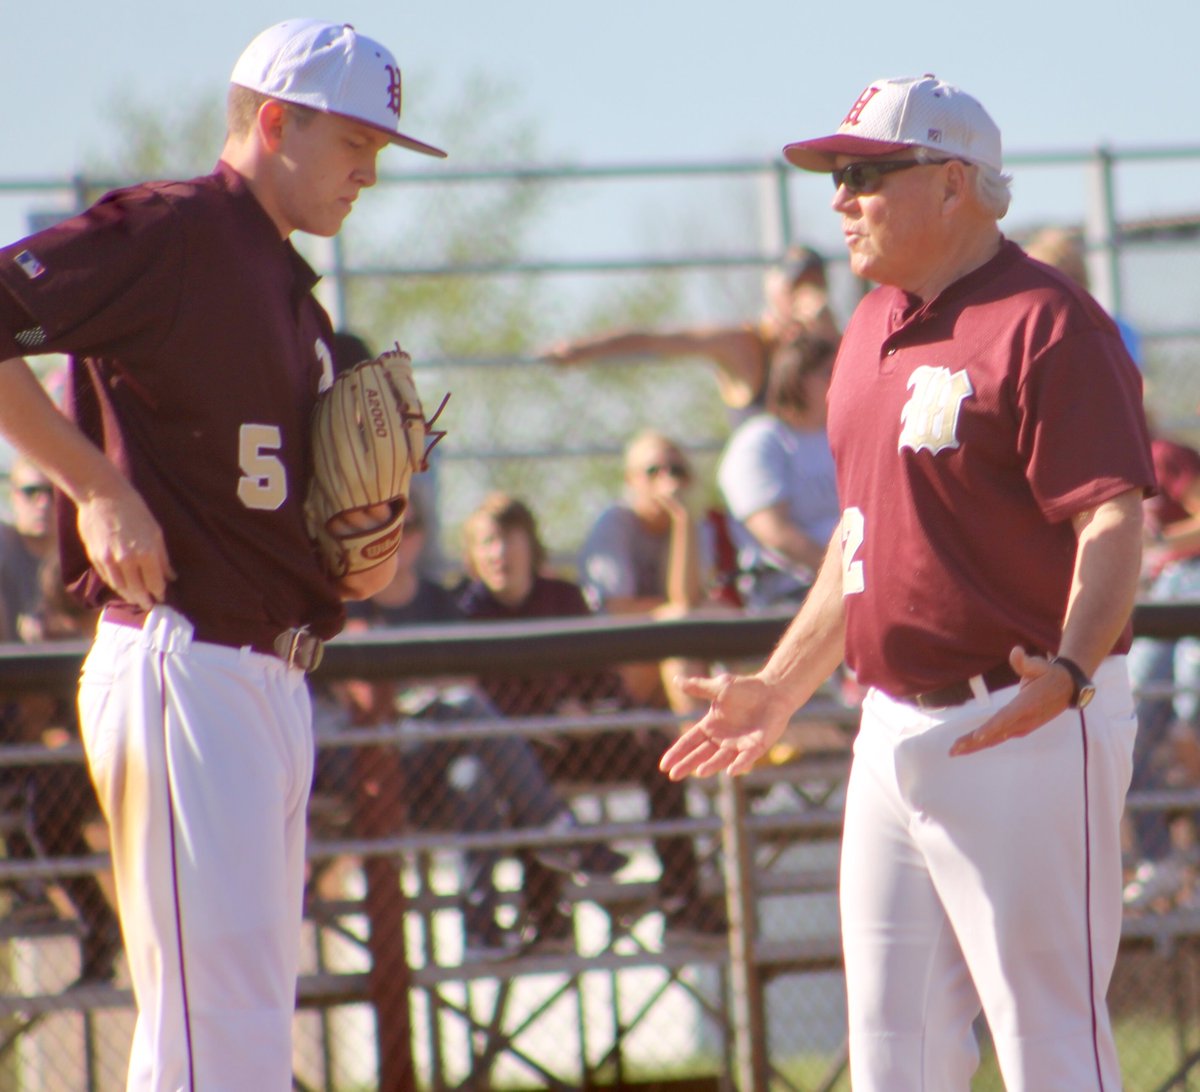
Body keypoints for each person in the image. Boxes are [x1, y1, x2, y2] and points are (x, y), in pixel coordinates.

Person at [661, 74, 1155, 1089]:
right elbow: (859, 541)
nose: (841, 198)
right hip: (889, 726)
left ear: (955, 184)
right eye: (838, 177)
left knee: (1050, 1040)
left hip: (1021, 709)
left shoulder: (1047, 321)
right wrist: (781, 685)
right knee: (893, 1049)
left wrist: (1070, 671)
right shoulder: (867, 328)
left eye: (868, 174)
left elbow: (1113, 514)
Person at [0, 19, 445, 1090]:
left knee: (234, 1015)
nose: (369, 176)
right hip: (183, 658)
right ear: (277, 121)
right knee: (216, 1027)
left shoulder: (286, 287)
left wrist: (356, 553)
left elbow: (322, 539)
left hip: (270, 674)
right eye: (357, 146)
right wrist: (94, 484)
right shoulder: (174, 230)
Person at [322, 489, 628, 960]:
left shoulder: (438, 601)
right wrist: (425, 691)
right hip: (372, 762)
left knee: (473, 776)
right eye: (372, 532)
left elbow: (461, 680)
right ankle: (554, 828)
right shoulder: (347, 604)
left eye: (400, 531)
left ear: (418, 539)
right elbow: (362, 697)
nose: (390, 544)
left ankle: (480, 931)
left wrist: (417, 691)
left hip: (432, 755)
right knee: (462, 705)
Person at [459, 493, 726, 948]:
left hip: (584, 738)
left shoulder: (562, 598)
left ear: (531, 546)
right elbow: (478, 702)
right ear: (473, 555)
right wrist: (549, 713)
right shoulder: (466, 613)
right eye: (487, 542)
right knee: (512, 769)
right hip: (525, 748)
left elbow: (604, 680)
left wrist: (589, 710)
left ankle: (682, 902)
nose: (499, 553)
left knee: (656, 748)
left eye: (509, 540)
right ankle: (548, 918)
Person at [542, 242, 840, 426]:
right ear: (772, 287)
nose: (806, 293)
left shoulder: (833, 340)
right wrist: (582, 350)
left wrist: (827, 339)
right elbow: (657, 340)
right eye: (796, 283)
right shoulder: (745, 344)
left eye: (814, 283)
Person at [578, 429, 721, 714]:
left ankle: (734, 738)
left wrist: (681, 521)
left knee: (712, 624)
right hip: (619, 657)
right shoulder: (614, 524)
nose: (667, 481)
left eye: (677, 471)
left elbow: (687, 597)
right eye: (653, 471)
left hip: (674, 645)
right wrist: (675, 612)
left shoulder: (694, 525)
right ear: (630, 480)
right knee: (681, 629)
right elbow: (618, 611)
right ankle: (699, 743)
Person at [1122, 436, 1200, 909]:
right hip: (1157, 592)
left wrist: (1158, 542)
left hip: (1190, 581)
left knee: (1191, 726)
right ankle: (1162, 861)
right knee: (1128, 733)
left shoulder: (1160, 452)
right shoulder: (1103, 458)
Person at [716, 334, 840, 610]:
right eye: (829, 372)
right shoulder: (761, 441)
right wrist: (845, 575)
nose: (841, 380)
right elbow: (774, 532)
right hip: (793, 595)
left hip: (855, 585)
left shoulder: (843, 436)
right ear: (797, 378)